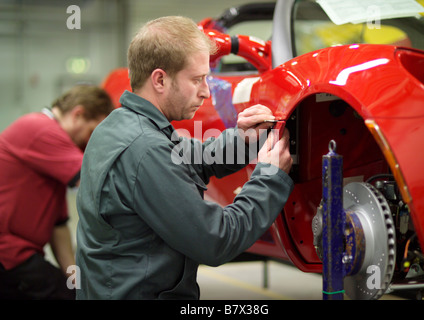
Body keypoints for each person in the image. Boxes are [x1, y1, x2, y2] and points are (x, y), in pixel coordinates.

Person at [75, 16, 294, 300]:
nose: (206, 91)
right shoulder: (145, 149)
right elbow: (216, 240)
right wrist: (269, 178)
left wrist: (244, 140)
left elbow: (195, 157)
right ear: (160, 79)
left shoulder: (121, 124)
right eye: (197, 79)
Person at [0, 85, 114, 299]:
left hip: (17, 254)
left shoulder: (51, 165)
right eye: (92, 132)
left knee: (69, 292)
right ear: (77, 114)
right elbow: (98, 181)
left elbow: (58, 227)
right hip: (8, 252)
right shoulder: (38, 128)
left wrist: (75, 282)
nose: (90, 143)